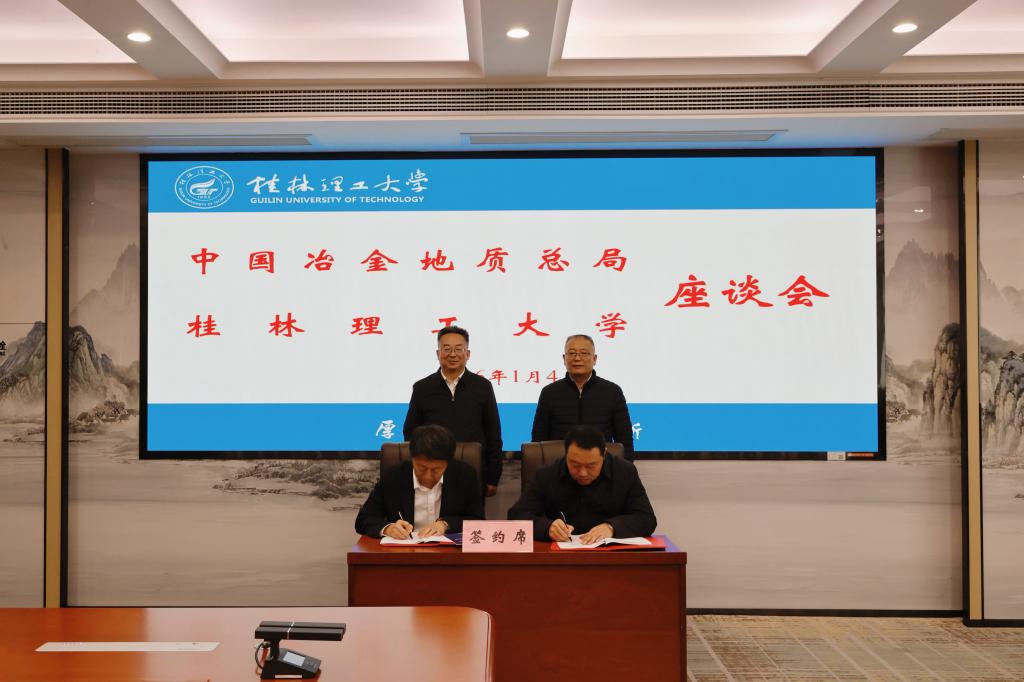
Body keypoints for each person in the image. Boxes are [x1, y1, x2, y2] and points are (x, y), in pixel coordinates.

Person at [508, 424, 656, 543]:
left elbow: (646, 519)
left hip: (610, 557)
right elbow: (517, 515)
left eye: (591, 466)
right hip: (561, 557)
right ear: (566, 454)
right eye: (575, 465)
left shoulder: (624, 472)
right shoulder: (547, 474)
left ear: (604, 454)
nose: (583, 473)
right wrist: (547, 528)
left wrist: (612, 527)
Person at [404, 325, 503, 496]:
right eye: (446, 349)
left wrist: (493, 478)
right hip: (432, 473)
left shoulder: (483, 387)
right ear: (438, 353)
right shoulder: (422, 388)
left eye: (458, 349)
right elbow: (410, 432)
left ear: (467, 354)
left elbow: (493, 434)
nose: (452, 354)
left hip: (473, 472)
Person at [355, 424, 484, 539]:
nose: (428, 476)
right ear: (412, 459)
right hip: (403, 552)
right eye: (421, 468)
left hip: (448, 553)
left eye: (436, 470)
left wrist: (446, 524)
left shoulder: (464, 476)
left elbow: (477, 520)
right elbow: (364, 520)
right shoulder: (393, 477)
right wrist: (388, 528)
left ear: (447, 463)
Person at [531, 334, 634, 459]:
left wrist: (625, 467)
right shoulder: (549, 392)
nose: (577, 358)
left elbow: (624, 438)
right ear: (564, 358)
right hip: (560, 465)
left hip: (601, 465)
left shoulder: (613, 391)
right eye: (571, 353)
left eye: (584, 353)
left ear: (594, 359)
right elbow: (538, 439)